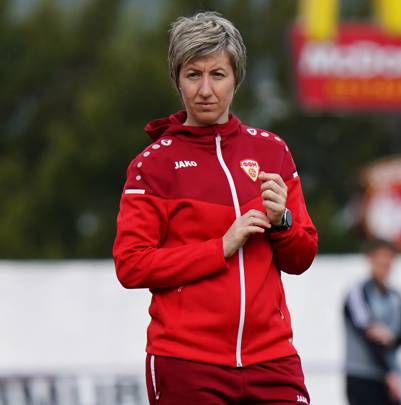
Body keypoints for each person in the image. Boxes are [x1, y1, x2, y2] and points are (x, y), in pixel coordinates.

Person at [112, 12, 318, 405]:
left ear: (235, 78)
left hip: (273, 360)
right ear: (177, 79)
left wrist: (282, 224)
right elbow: (131, 265)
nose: (205, 89)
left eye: (217, 75)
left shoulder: (271, 151)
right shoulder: (152, 165)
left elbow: (301, 257)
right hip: (187, 362)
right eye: (193, 75)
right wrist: (220, 247)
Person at [343, 239, 401, 405]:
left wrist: (390, 337)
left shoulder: (396, 296)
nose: (385, 263)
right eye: (380, 258)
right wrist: (388, 372)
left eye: (388, 259)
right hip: (363, 376)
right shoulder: (358, 292)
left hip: (392, 376)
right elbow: (367, 334)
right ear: (370, 259)